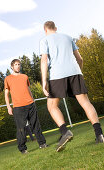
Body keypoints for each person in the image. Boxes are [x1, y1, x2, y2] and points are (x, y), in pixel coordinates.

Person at [40, 21, 104, 152]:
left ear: (45, 30)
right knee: (85, 102)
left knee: (52, 106)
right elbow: (80, 59)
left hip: (57, 75)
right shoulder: (68, 37)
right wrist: (78, 73)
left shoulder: (44, 40)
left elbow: (44, 60)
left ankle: (64, 131)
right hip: (75, 72)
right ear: (55, 28)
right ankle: (99, 135)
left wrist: (44, 81)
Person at [4, 59, 48, 154]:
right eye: (16, 64)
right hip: (18, 107)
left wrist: (33, 100)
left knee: (36, 125)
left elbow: (28, 89)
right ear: (12, 66)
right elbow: (6, 94)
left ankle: (42, 143)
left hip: (30, 104)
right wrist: (8, 107)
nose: (18, 66)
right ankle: (23, 149)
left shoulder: (25, 76)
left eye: (19, 64)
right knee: (21, 129)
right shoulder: (8, 79)